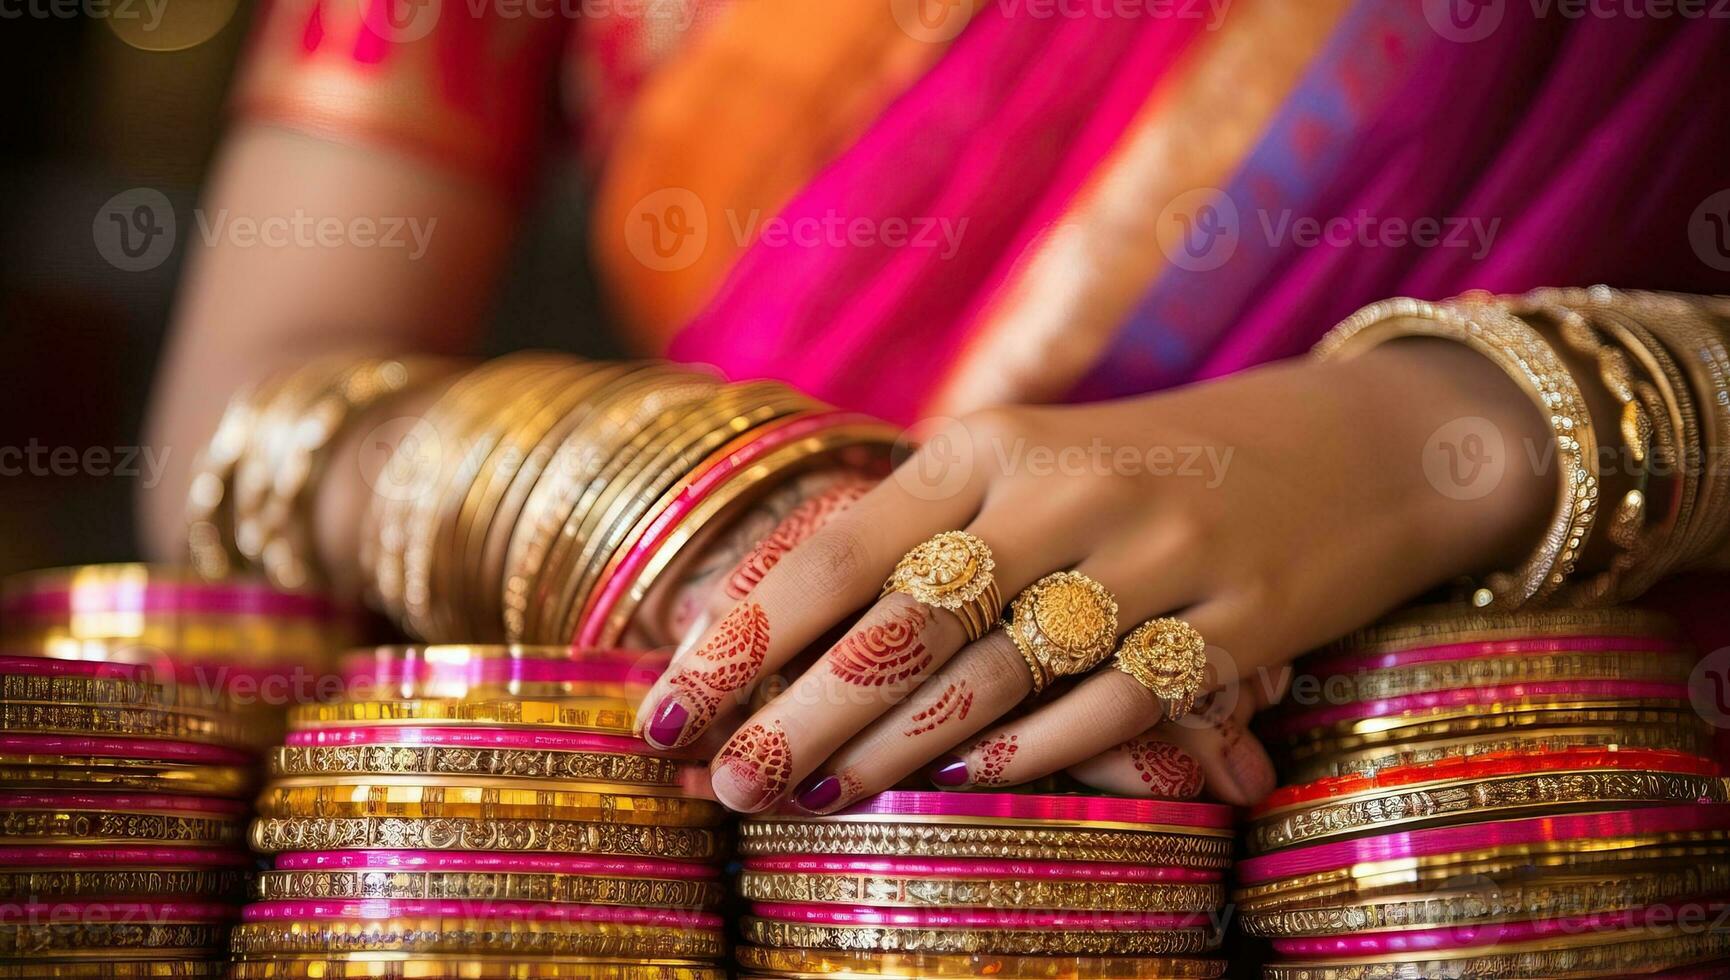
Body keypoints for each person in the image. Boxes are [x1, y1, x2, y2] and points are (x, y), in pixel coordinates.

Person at [142, 0, 1730, 813]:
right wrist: (706, 521)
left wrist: (1441, 442)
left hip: (1556, 801)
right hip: (824, 807)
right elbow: (240, 418)